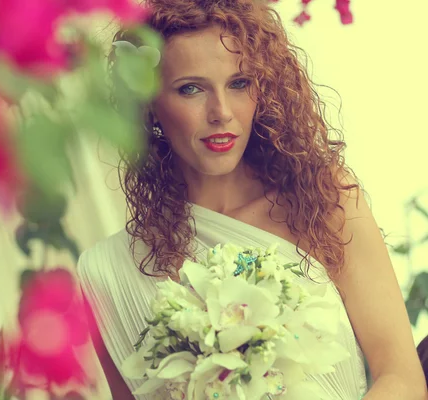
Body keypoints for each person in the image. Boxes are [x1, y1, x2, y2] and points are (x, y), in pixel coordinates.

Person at [77, 0, 427, 399]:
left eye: (239, 83)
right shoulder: (107, 272)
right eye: (191, 89)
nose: (221, 112)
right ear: (150, 105)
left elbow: (401, 377)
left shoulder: (323, 201)